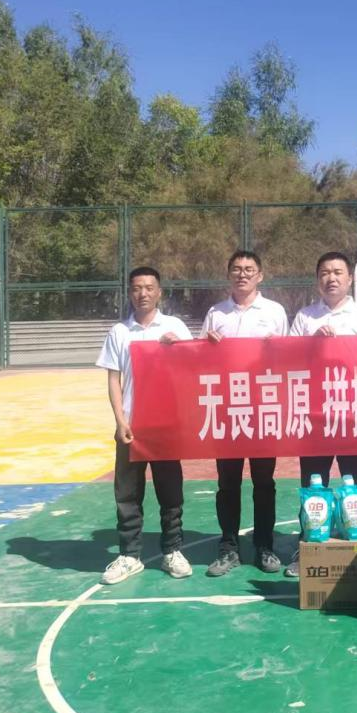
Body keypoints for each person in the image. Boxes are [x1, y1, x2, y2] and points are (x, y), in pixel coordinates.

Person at [95, 266, 193, 585]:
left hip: (165, 424)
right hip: (131, 426)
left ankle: (172, 550)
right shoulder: (119, 332)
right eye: (137, 288)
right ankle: (129, 555)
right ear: (129, 293)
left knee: (170, 490)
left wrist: (177, 349)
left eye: (149, 288)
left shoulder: (175, 327)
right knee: (127, 492)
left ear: (159, 292)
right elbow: (114, 379)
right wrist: (120, 420)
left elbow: (193, 369)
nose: (143, 293)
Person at [284, 251, 357, 578]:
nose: (331, 278)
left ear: (350, 279)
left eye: (338, 272)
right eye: (325, 272)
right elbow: (290, 359)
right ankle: (309, 544)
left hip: (353, 412)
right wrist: (312, 343)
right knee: (314, 481)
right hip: (315, 414)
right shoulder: (305, 317)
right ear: (317, 280)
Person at [201, 250, 289, 576]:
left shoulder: (275, 312)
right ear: (228, 275)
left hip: (264, 409)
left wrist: (276, 347)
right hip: (227, 409)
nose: (243, 274)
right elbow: (200, 360)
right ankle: (228, 548)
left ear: (260, 275)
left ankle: (264, 546)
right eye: (237, 269)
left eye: (249, 269)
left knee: (264, 482)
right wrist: (206, 344)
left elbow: (291, 360)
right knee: (228, 483)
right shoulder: (216, 313)